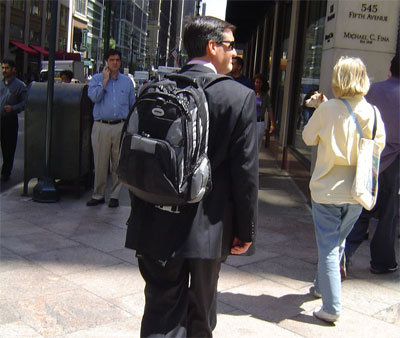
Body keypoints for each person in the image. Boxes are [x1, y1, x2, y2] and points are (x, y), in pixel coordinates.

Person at [125, 16, 258, 337]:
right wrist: (245, 231)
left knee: (159, 309)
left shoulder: (155, 88)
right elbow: (245, 174)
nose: (234, 54)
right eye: (230, 47)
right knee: (201, 311)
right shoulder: (237, 97)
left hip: (155, 222)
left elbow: (138, 157)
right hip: (207, 229)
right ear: (212, 47)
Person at [302, 56, 385, 323]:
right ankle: (320, 285)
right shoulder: (372, 112)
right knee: (337, 242)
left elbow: (307, 137)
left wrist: (319, 110)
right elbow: (378, 147)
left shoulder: (327, 110)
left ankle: (332, 306)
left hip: (327, 190)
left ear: (338, 79)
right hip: (357, 192)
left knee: (328, 246)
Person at [344, 54, 399, 274]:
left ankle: (344, 256)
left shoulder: (372, 91)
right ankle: (382, 262)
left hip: (371, 157)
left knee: (361, 208)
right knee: (388, 214)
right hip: (395, 163)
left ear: (390, 69)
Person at [87, 49, 135, 207]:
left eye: (117, 60)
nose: (115, 62)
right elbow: (94, 97)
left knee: (117, 162)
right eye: (112, 59)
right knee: (100, 162)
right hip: (102, 125)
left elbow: (132, 105)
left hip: (120, 126)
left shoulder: (127, 82)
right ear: (107, 61)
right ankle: (98, 194)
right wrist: (104, 81)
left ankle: (114, 195)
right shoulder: (96, 79)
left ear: (120, 62)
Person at [0, 59, 27, 182]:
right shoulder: (0, 83)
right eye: (3, 68)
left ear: (13, 69)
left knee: (8, 148)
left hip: (9, 120)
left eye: (7, 68)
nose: (4, 70)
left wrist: (13, 108)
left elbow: (26, 103)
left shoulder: (20, 86)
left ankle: (6, 172)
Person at [253, 73, 274, 149]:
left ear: (263, 84)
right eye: (256, 82)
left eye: (259, 82)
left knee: (257, 145)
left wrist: (272, 123)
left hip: (259, 122)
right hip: (250, 122)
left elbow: (269, 109)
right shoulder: (250, 93)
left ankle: (255, 160)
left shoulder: (265, 96)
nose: (257, 84)